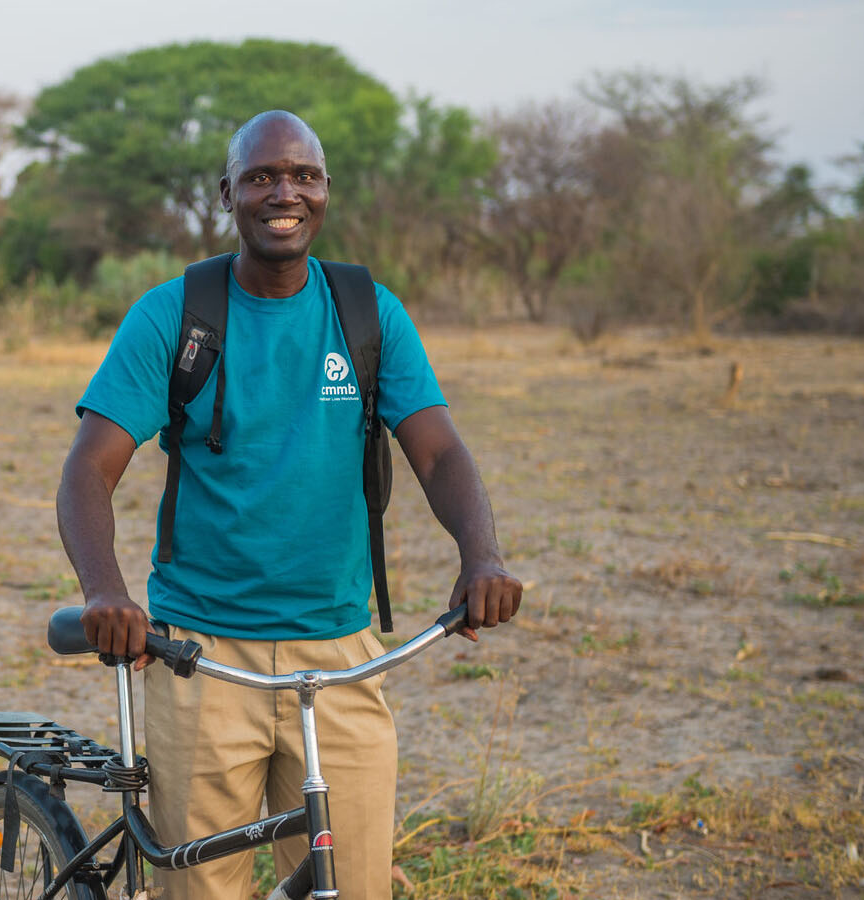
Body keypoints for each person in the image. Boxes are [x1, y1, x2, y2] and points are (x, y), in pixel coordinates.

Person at [55, 109, 521, 900]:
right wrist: (104, 589)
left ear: (326, 192)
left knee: (356, 885)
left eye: (303, 175)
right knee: (204, 890)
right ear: (228, 192)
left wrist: (482, 556)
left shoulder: (370, 315)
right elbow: (88, 470)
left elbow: (438, 450)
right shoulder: (175, 315)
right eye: (264, 176)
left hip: (341, 654)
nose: (285, 192)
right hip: (199, 656)